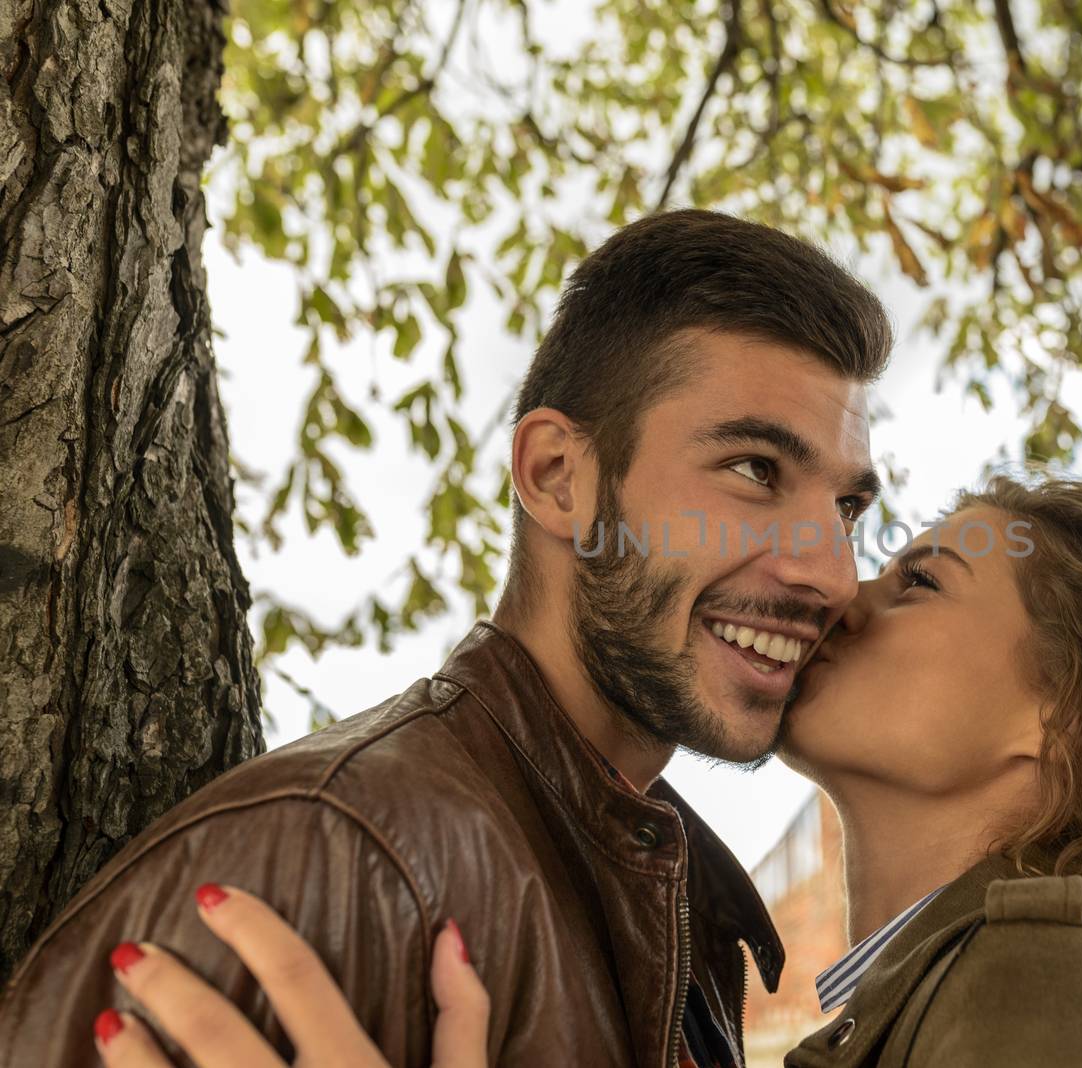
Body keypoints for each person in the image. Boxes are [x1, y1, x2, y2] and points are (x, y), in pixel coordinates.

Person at [87, 476, 1082, 1067]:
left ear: (1070, 727)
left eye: (917, 583)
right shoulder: (937, 987)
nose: (838, 592)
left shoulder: (1048, 987)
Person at [0, 208, 895, 1067]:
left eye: (846, 505)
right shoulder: (337, 855)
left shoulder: (672, 891)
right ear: (556, 479)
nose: (832, 573)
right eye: (753, 470)